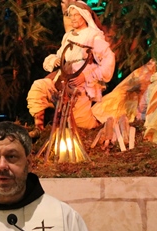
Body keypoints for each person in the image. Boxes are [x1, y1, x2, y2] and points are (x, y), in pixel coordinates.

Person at [27, 1, 115, 133]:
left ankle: (100, 123)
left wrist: (86, 76)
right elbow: (60, 54)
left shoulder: (93, 35)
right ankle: (39, 128)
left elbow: (108, 60)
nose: (72, 18)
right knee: (39, 87)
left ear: (84, 16)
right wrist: (55, 60)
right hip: (62, 79)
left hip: (79, 84)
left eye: (76, 15)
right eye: (70, 15)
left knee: (81, 122)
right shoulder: (68, 36)